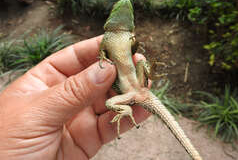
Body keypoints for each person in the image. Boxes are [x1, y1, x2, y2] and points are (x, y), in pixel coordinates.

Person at [0, 35, 150, 160]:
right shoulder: (104, 62)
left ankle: (129, 106)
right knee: (112, 101)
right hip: (124, 92)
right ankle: (127, 110)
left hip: (127, 89)